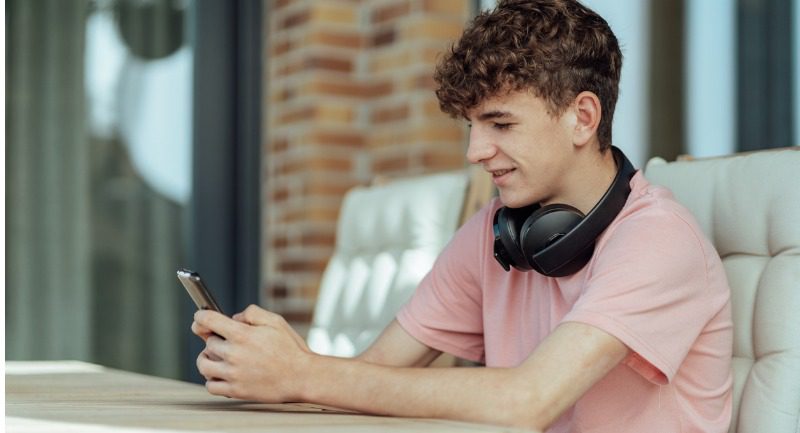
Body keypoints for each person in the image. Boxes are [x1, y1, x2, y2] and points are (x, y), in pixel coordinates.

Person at [191, 1, 733, 431]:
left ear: (582, 117)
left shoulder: (658, 239)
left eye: (500, 124)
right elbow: (372, 376)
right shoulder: (495, 233)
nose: (475, 152)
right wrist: (272, 367)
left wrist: (305, 374)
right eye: (472, 126)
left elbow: (528, 401)